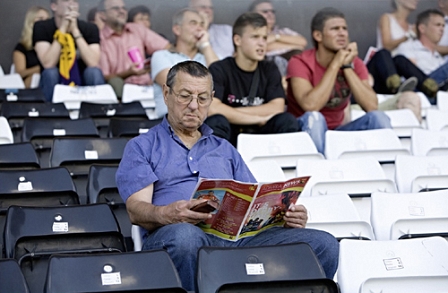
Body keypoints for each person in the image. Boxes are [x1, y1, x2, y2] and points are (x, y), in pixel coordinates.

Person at [116, 60, 339, 292]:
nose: (194, 105)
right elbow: (135, 209)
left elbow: (254, 203)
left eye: (202, 98)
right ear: (166, 94)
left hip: (237, 238)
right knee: (186, 237)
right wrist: (166, 213)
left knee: (324, 244)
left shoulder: (224, 148)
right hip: (175, 235)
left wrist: (286, 217)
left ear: (211, 99)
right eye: (185, 96)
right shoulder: (142, 146)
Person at [287, 7, 392, 154]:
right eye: (335, 29)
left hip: (337, 133)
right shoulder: (299, 62)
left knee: (378, 117)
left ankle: (385, 167)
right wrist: (335, 65)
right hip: (303, 133)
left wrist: (347, 66)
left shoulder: (355, 63)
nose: (342, 33)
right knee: (315, 118)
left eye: (344, 28)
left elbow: (371, 105)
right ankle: (318, 169)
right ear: (318, 35)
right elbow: (311, 105)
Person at [205, 12, 298, 146]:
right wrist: (255, 118)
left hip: (262, 133)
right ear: (238, 40)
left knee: (287, 120)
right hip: (230, 133)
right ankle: (217, 165)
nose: (262, 43)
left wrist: (228, 111)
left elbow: (277, 108)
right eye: (255, 37)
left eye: (264, 38)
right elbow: (212, 109)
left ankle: (284, 165)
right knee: (216, 122)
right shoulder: (219, 68)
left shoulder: (270, 69)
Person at [151, 8, 218, 118]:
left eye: (202, 24)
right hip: (170, 123)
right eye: (193, 23)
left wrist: (205, 45)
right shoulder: (161, 56)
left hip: (204, 121)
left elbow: (221, 82)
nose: (200, 28)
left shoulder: (208, 55)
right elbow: (177, 86)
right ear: (177, 29)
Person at [33, 0, 105, 101]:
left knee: (94, 72)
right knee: (50, 72)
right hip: (55, 80)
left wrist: (75, 31)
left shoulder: (90, 28)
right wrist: (62, 29)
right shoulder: (42, 27)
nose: (71, 4)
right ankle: (51, 112)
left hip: (82, 80)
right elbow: (48, 63)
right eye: (66, 0)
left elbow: (93, 62)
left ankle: (99, 111)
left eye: (75, 1)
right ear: (54, 6)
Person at [98, 0, 170, 99]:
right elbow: (104, 77)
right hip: (120, 95)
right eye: (115, 8)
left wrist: (155, 68)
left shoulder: (136, 29)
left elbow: (167, 48)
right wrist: (129, 73)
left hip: (148, 87)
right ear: (103, 15)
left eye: (123, 8)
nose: (121, 11)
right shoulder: (100, 38)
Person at [367, 0, 439, 98]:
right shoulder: (387, 18)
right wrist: (407, 35)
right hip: (380, 70)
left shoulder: (411, 27)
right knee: (384, 53)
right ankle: (394, 82)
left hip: (399, 72)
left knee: (400, 59)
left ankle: (428, 85)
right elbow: (386, 45)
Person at [396, 9, 448, 93]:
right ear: (422, 28)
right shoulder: (408, 47)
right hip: (419, 90)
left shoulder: (438, 57)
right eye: (438, 25)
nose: (442, 29)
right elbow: (413, 77)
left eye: (443, 26)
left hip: (438, 93)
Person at [13, 6, 49, 88]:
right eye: (40, 19)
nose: (44, 22)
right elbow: (19, 73)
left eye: (47, 20)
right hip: (30, 85)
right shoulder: (22, 47)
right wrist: (40, 68)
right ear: (30, 22)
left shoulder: (53, 45)